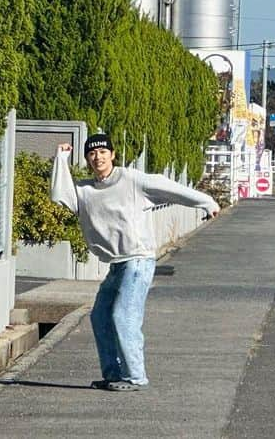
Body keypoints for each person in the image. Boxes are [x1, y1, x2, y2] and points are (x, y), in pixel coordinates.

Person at [51, 133, 220, 392]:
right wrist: (61, 159)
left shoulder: (130, 180)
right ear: (87, 158)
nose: (98, 158)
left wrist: (206, 202)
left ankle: (136, 377)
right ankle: (113, 375)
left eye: (103, 153)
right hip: (117, 264)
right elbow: (60, 194)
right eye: (92, 154)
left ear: (113, 154)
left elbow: (168, 187)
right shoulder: (85, 191)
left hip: (138, 260)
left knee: (123, 315)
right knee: (100, 317)